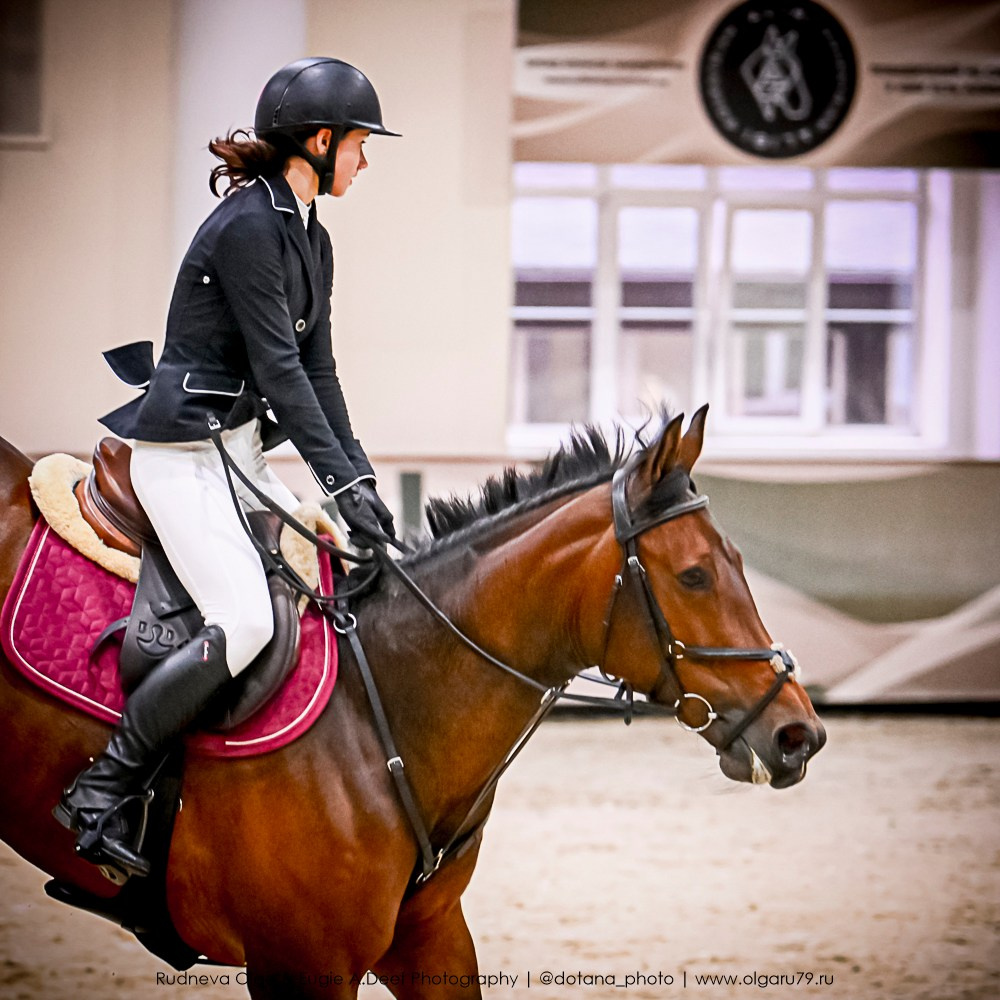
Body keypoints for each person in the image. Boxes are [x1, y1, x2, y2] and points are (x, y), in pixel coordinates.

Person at [53, 57, 399, 878]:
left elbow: (321, 375)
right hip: (180, 456)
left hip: (236, 452)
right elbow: (280, 372)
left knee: (326, 571)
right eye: (357, 144)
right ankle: (103, 788)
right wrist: (340, 486)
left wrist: (362, 488)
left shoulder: (310, 236)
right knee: (245, 620)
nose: (364, 160)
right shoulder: (249, 226)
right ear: (318, 141)